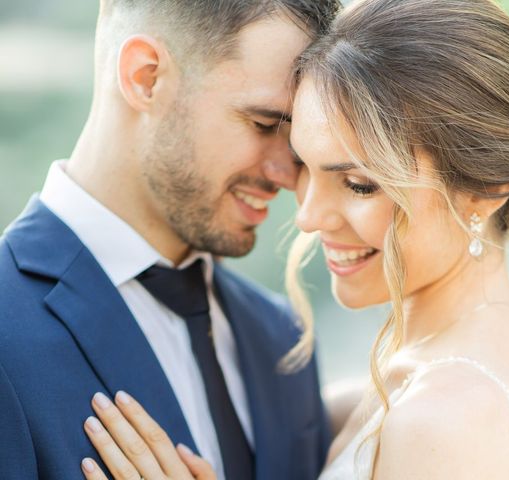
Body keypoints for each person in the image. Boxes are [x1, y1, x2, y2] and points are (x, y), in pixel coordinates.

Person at [76, 0, 509, 478]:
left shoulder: (447, 419)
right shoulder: (420, 383)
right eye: (305, 166)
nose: (309, 217)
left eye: (359, 184)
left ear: (486, 188)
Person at [0, 1, 342, 479]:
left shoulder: (282, 337)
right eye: (264, 124)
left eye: (297, 137)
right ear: (146, 77)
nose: (287, 174)